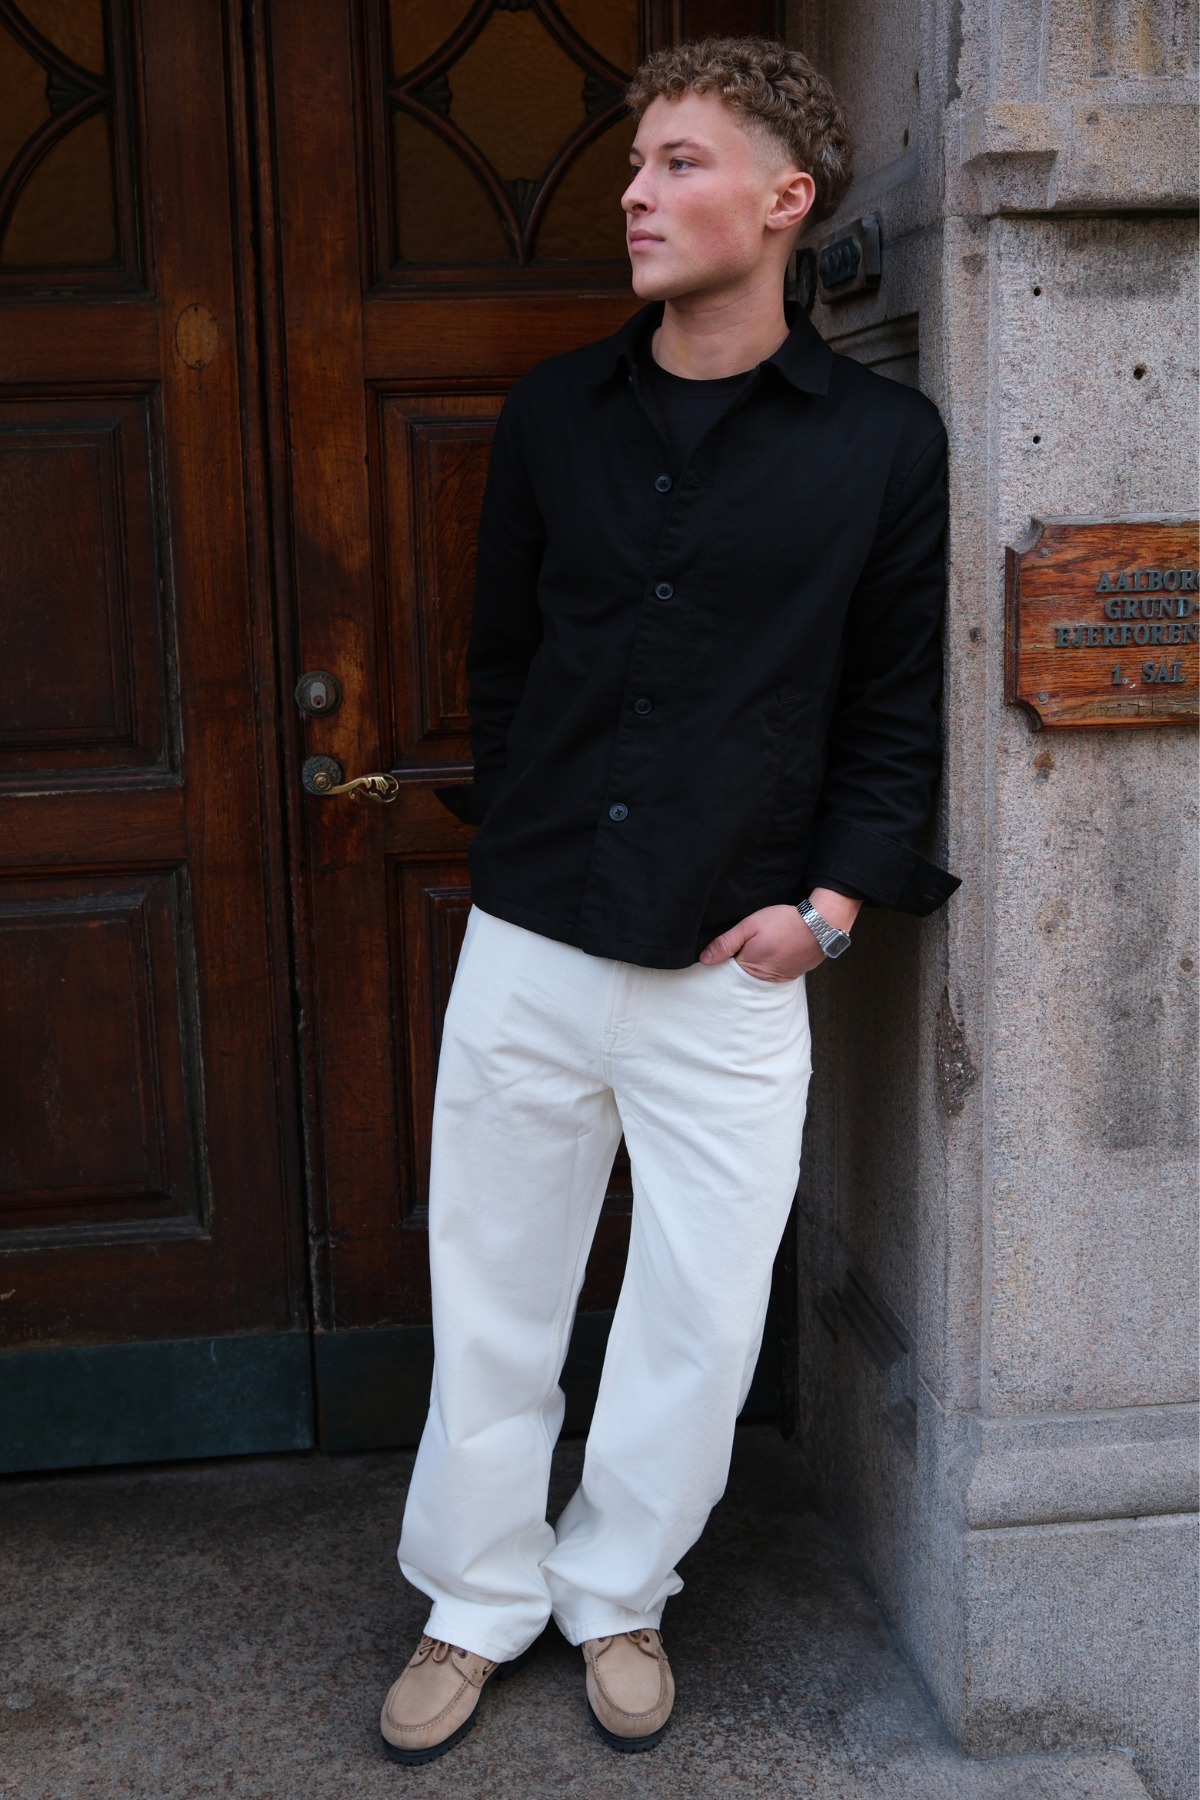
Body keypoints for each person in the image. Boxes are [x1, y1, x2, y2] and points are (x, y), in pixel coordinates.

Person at [379, 36, 958, 1765]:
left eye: (679, 163)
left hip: (736, 959)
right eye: (636, 164)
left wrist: (826, 915)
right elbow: (503, 663)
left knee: (701, 1315)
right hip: (537, 936)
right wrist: (522, 848)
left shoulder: (881, 445)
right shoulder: (555, 414)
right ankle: (474, 1600)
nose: (634, 194)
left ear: (787, 201)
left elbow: (893, 706)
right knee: (495, 1291)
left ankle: (618, 1591)